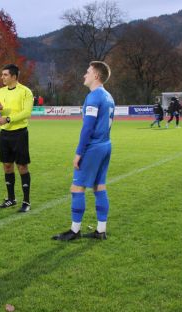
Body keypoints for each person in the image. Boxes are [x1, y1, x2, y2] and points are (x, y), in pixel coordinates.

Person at [52, 61, 115, 241]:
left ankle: (74, 231)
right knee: (99, 186)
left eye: (87, 72)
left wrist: (79, 153)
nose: (84, 75)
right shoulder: (109, 96)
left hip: (93, 148)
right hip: (106, 145)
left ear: (96, 76)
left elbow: (88, 128)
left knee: (77, 187)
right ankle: (101, 230)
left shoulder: (95, 96)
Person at [0, 64, 34, 213]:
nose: (2, 77)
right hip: (4, 135)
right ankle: (11, 198)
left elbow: (26, 112)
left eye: (5, 75)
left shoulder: (25, 92)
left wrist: (7, 119)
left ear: (14, 77)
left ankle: (26, 201)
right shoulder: (1, 91)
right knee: (7, 166)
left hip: (19, 133)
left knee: (22, 166)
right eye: (2, 75)